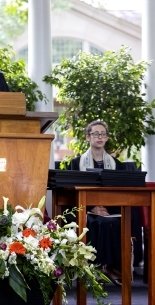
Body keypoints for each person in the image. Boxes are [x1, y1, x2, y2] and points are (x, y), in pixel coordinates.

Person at [68, 120, 137, 286]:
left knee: (116, 222)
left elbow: (122, 192)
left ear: (107, 138)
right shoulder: (76, 164)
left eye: (103, 134)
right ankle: (95, 268)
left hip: (111, 210)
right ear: (87, 137)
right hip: (87, 210)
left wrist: (106, 207)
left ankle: (112, 268)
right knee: (96, 222)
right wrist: (92, 207)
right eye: (95, 134)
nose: (100, 137)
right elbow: (70, 192)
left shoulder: (117, 166)